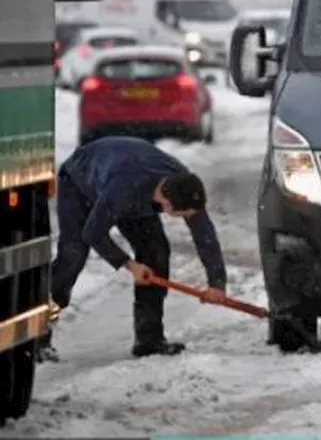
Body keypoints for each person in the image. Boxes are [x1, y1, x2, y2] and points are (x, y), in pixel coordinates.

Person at [39, 136, 228, 361]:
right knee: (73, 256)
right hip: (79, 183)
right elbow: (92, 233)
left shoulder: (183, 184)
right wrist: (128, 265)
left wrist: (216, 282)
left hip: (127, 185)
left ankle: (149, 340)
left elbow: (204, 234)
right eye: (181, 215)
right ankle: (38, 336)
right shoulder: (125, 187)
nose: (187, 219)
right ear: (166, 204)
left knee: (156, 252)